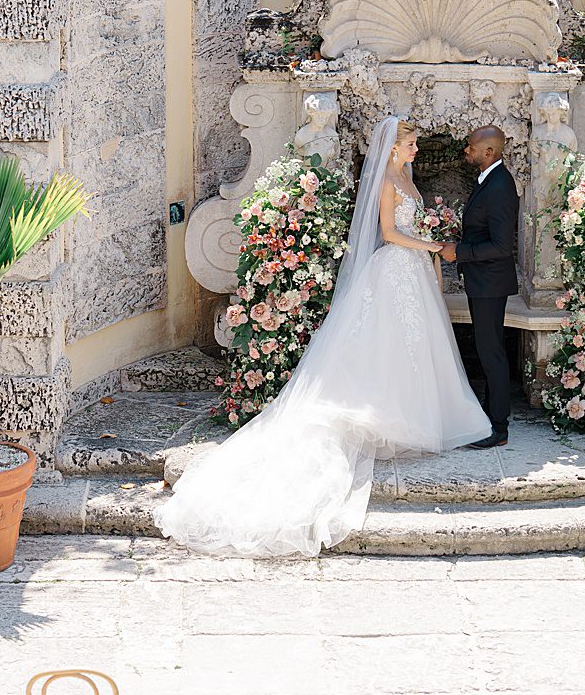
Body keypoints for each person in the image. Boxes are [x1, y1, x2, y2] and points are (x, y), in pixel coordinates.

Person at [154, 116, 493, 557]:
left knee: (415, 346)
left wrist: (428, 249)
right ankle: (382, 414)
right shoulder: (388, 183)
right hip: (393, 270)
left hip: (413, 274)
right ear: (393, 147)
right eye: (410, 145)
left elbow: (411, 228)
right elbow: (390, 233)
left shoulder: (406, 176)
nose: (415, 151)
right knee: (386, 344)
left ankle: (419, 413)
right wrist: (432, 248)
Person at [441, 124, 520, 448]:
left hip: (490, 282)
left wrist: (459, 252)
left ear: (489, 151)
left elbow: (503, 246)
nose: (466, 151)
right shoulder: (489, 180)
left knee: (492, 354)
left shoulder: (500, 186)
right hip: (482, 281)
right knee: (489, 352)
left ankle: (498, 429)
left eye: (471, 146)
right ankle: (490, 418)